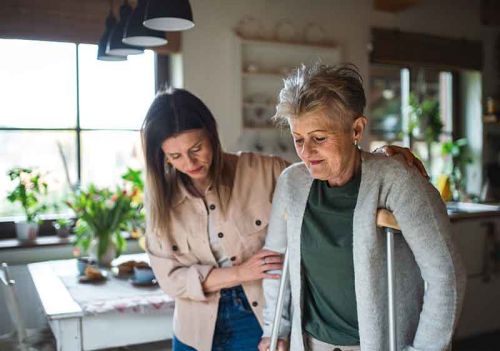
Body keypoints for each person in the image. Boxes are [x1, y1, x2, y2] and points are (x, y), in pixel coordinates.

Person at [141, 88, 427, 351]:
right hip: (194, 329)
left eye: (196, 148)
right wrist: (240, 273)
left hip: (260, 318)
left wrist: (376, 159)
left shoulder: (267, 172)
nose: (189, 163)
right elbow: (170, 280)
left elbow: (329, 173)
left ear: (212, 135)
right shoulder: (160, 203)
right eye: (175, 156)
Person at [258, 64, 466, 351]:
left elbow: (446, 275)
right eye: (298, 139)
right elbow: (275, 265)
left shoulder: (398, 180)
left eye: (319, 138)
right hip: (307, 344)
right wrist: (276, 329)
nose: (306, 152)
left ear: (356, 128)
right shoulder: (292, 182)